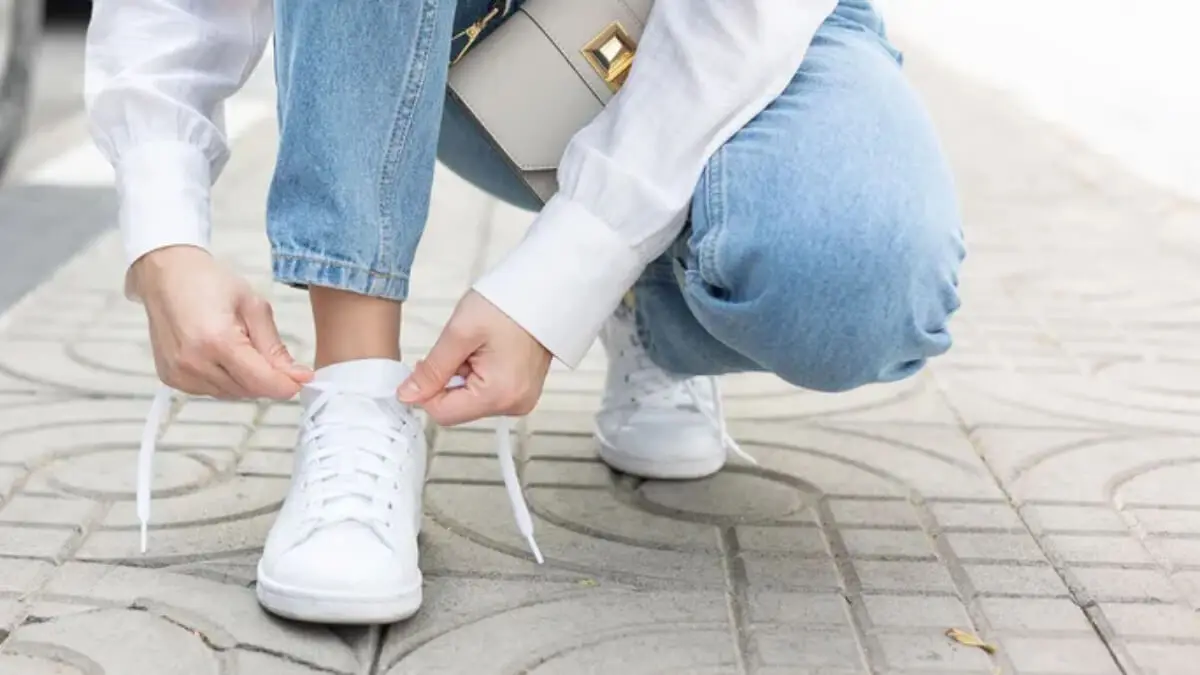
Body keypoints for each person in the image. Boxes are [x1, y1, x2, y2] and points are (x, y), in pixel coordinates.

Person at [86, 0, 963, 624]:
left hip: (750, 22)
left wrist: (567, 276)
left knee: (860, 275)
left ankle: (648, 298)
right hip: (457, 29)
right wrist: (163, 231)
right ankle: (358, 390)